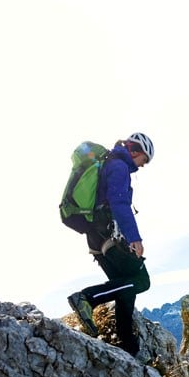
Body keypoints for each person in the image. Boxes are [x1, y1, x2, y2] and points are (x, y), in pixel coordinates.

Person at [67, 132, 154, 356]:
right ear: (135, 151)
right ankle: (86, 297)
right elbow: (119, 202)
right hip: (109, 234)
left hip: (95, 235)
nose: (142, 166)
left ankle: (128, 346)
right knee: (141, 281)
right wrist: (134, 237)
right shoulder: (119, 166)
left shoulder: (106, 163)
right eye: (143, 160)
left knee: (124, 286)